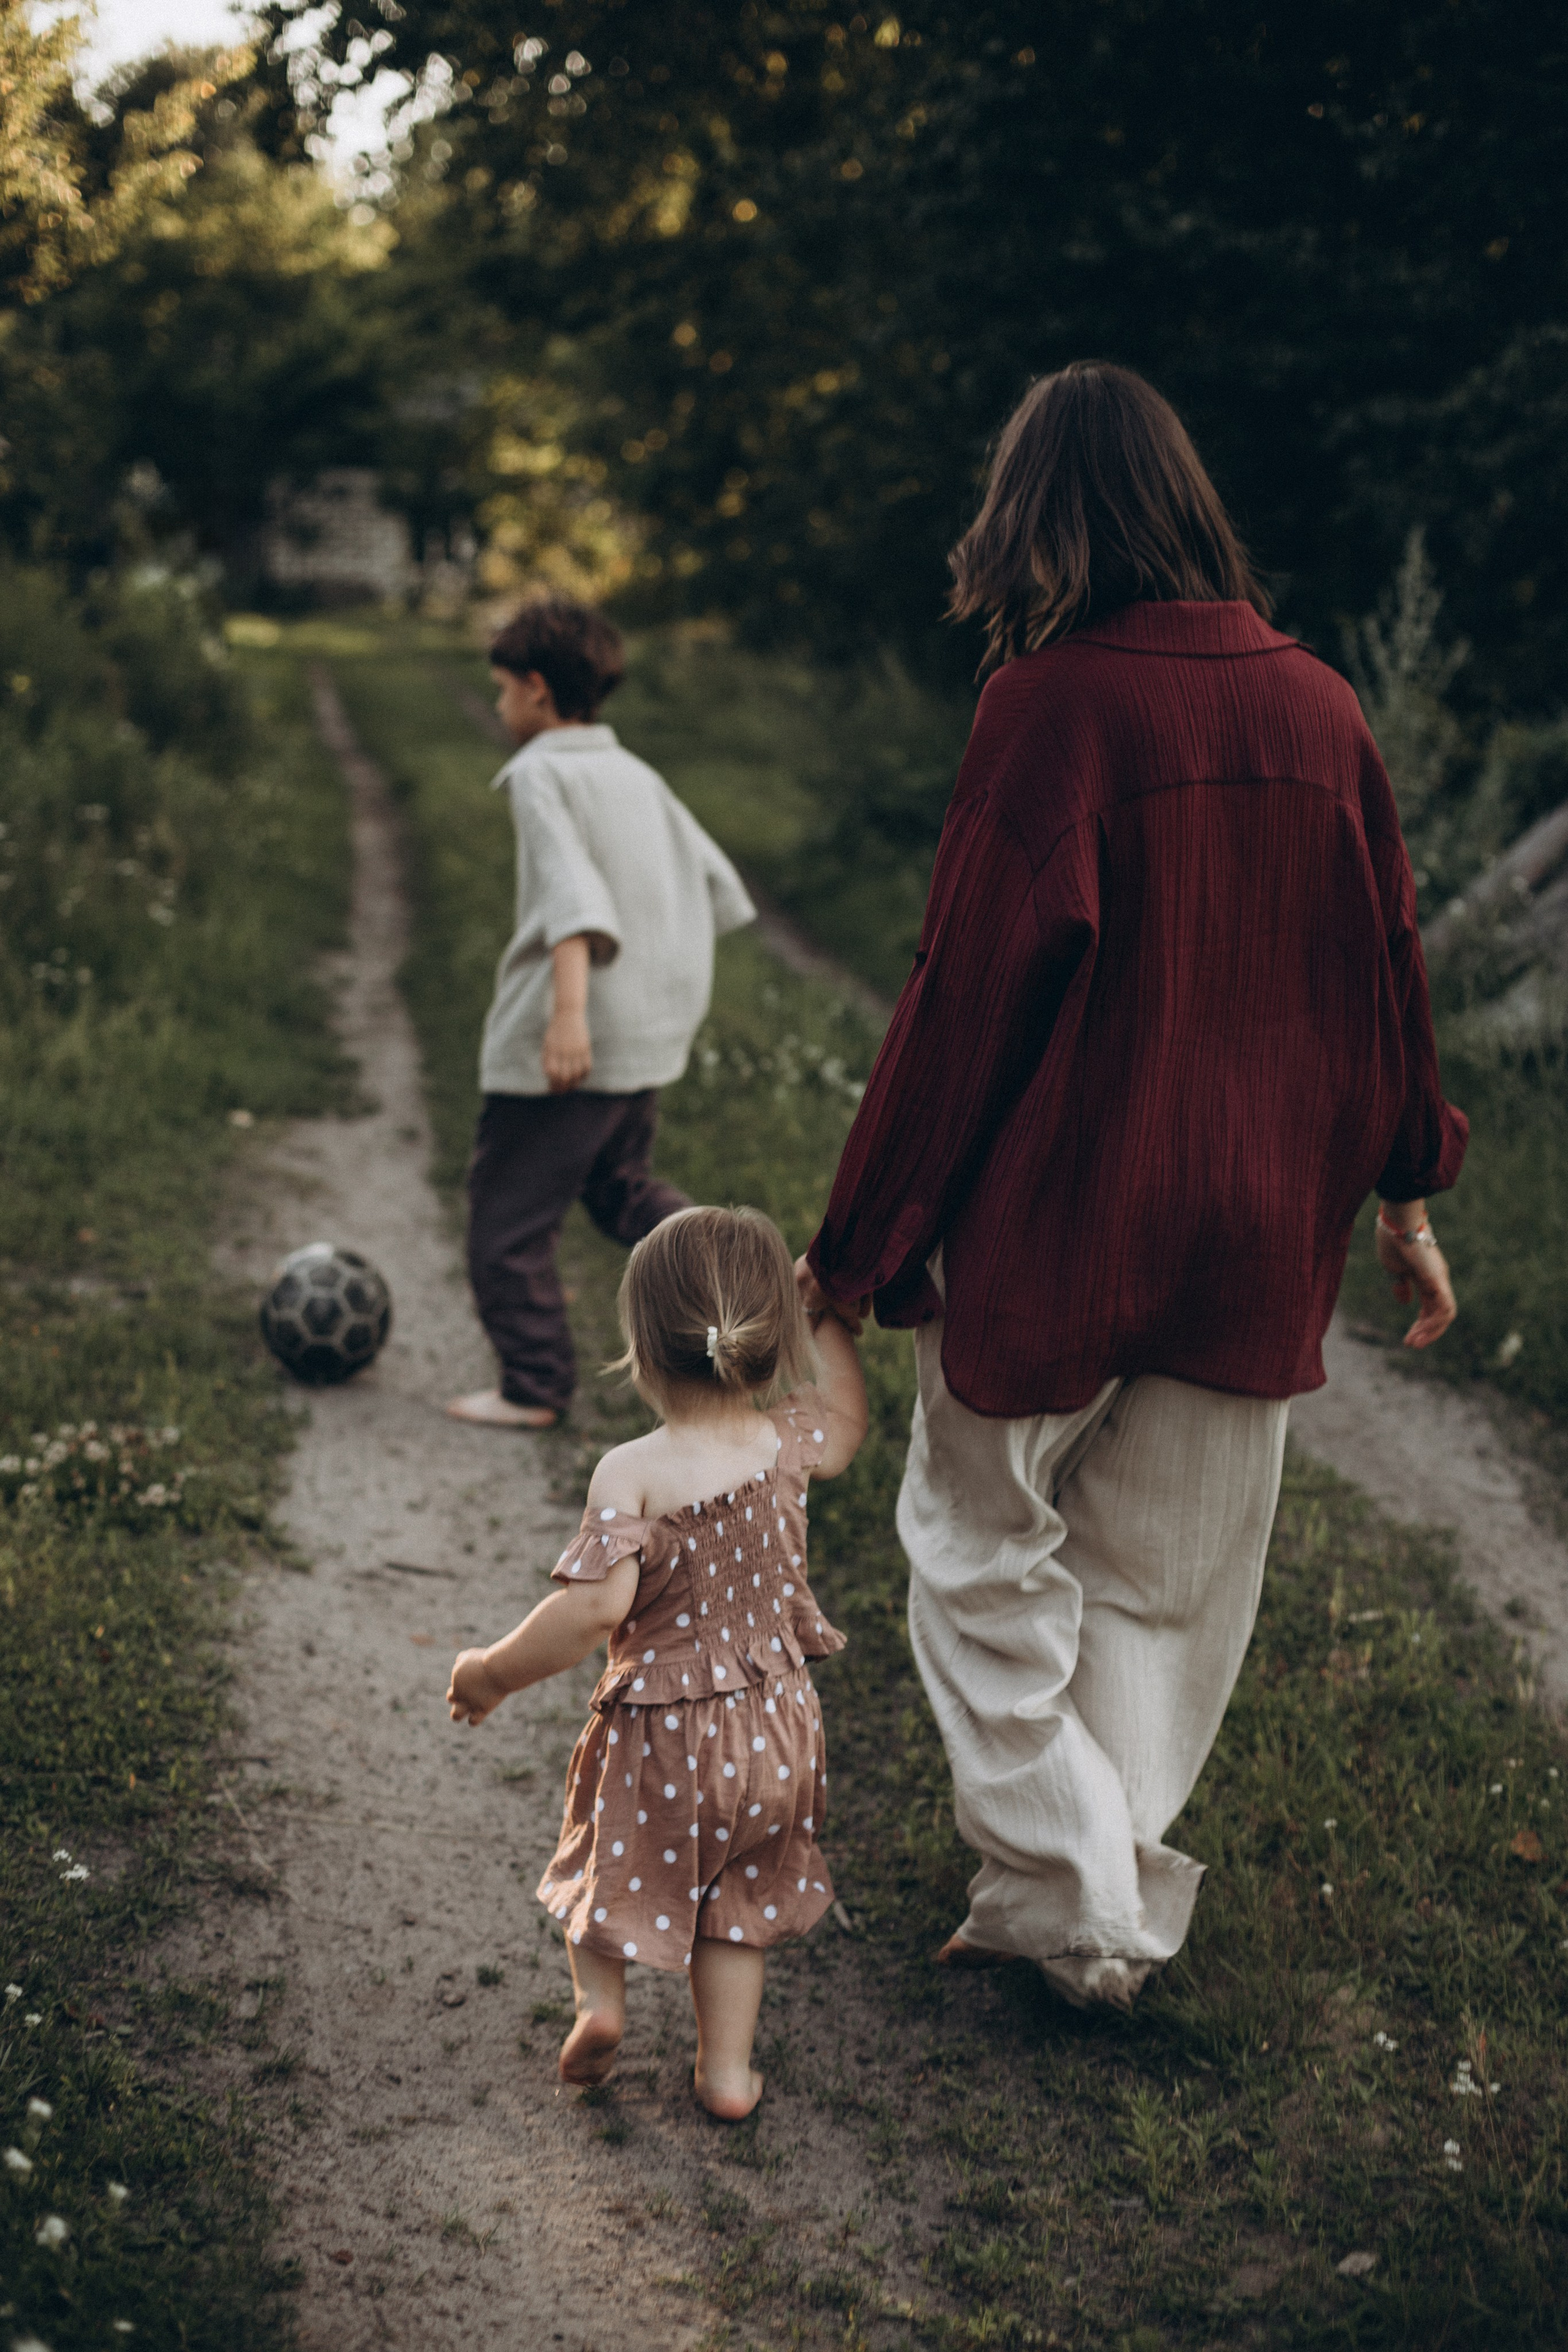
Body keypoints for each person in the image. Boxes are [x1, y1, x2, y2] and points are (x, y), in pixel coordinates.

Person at [798, 361, 1466, 2012]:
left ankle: (1077, 1888)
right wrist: (1404, 1194)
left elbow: (962, 999)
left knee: (977, 1549)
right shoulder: (1322, 707)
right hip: (1256, 1229)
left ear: (1034, 519)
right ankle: (1078, 1905)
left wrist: (857, 1252)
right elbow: (1388, 969)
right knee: (1160, 1595)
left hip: (1062, 1220)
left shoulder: (1049, 709)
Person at [447, 1205, 868, 2117]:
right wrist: (827, 1314)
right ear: (770, 1344)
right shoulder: (787, 1442)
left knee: (608, 1859)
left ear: (640, 1348)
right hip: (779, 1733)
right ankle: (726, 2074)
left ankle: (601, 2007)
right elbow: (845, 1421)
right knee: (737, 1900)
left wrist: (492, 1672)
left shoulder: (632, 1470)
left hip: (664, 1739)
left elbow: (595, 1608)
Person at [447, 596, 756, 1430]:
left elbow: (573, 900)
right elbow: (719, 888)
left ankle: (534, 1385)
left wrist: (569, 1016)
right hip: (643, 1039)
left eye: (502, 689)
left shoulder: (539, 774)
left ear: (538, 689)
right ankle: (731, 1269)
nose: (501, 705)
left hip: (571, 1049)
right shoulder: (638, 776)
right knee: (622, 1191)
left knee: (506, 1226)